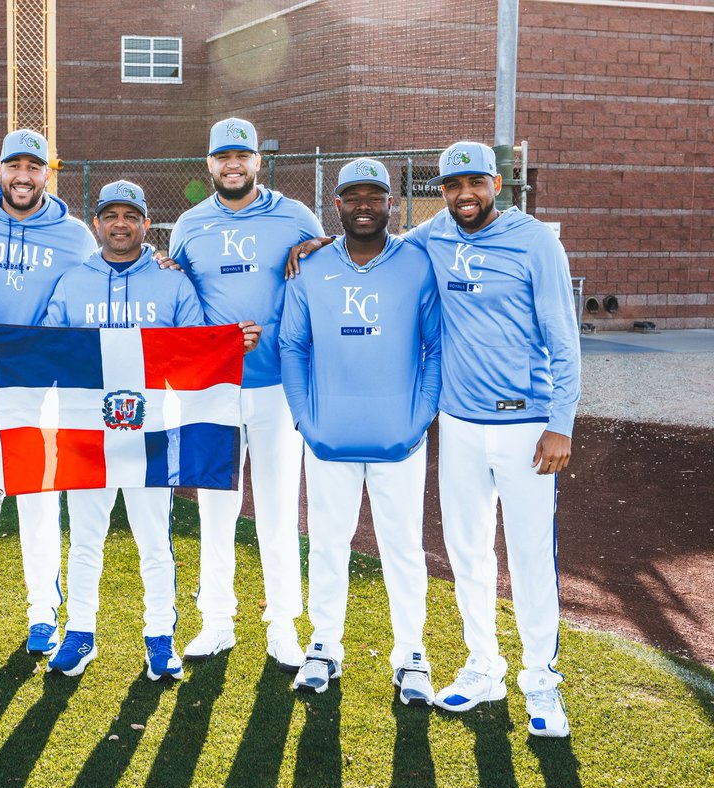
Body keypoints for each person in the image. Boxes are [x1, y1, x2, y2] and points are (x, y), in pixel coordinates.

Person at [289, 142, 580, 737]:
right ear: (439, 191)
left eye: (475, 182)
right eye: (452, 185)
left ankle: (541, 683)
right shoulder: (434, 236)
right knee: (467, 552)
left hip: (526, 424)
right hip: (460, 425)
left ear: (497, 183)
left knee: (529, 556)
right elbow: (375, 244)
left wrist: (561, 422)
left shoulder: (535, 243)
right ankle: (483, 667)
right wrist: (318, 244)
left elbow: (562, 336)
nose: (464, 195)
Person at [29, 180, 260, 680]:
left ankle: (160, 638)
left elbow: (196, 348)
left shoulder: (171, 283)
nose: (120, 225)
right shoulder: (74, 281)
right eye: (111, 215)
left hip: (152, 430)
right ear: (97, 223)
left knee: (155, 540)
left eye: (130, 216)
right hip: (87, 432)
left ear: (146, 224)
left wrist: (230, 343)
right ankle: (79, 634)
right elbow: (46, 346)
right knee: (85, 539)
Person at [278, 159, 441, 701]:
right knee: (328, 543)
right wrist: (304, 419)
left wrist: (419, 418)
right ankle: (324, 646)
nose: (364, 205)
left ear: (391, 203)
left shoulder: (416, 263)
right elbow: (292, 345)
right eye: (353, 196)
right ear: (338, 205)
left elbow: (436, 346)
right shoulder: (311, 266)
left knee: (404, 548)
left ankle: (411, 655)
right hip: (329, 437)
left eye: (375, 196)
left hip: (400, 440)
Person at [168, 117, 327, 671]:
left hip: (277, 385)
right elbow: (180, 294)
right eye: (222, 157)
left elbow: (327, 270)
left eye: (243, 156)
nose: (232, 165)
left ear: (258, 161)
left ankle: (283, 624)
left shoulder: (295, 214)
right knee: (216, 508)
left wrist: (324, 243)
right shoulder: (189, 223)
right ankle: (216, 621)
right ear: (209, 164)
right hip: (213, 386)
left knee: (279, 509)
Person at [0, 130, 97, 656]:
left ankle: (42, 614)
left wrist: (160, 261)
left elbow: (89, 304)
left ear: (47, 174)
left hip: (42, 395)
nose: (23, 176)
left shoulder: (76, 237)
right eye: (14, 165)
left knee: (38, 505)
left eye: (34, 167)